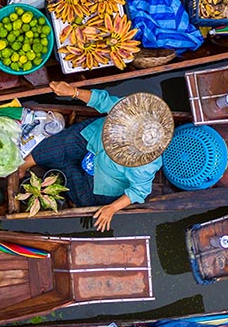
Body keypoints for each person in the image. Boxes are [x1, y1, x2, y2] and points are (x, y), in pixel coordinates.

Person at [18, 82, 174, 232]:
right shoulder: (133, 112)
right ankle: (26, 163)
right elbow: (103, 101)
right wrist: (72, 91)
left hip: (101, 180)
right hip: (90, 138)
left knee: (85, 199)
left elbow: (139, 191)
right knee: (64, 143)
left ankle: (59, 165)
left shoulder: (145, 165)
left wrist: (112, 208)